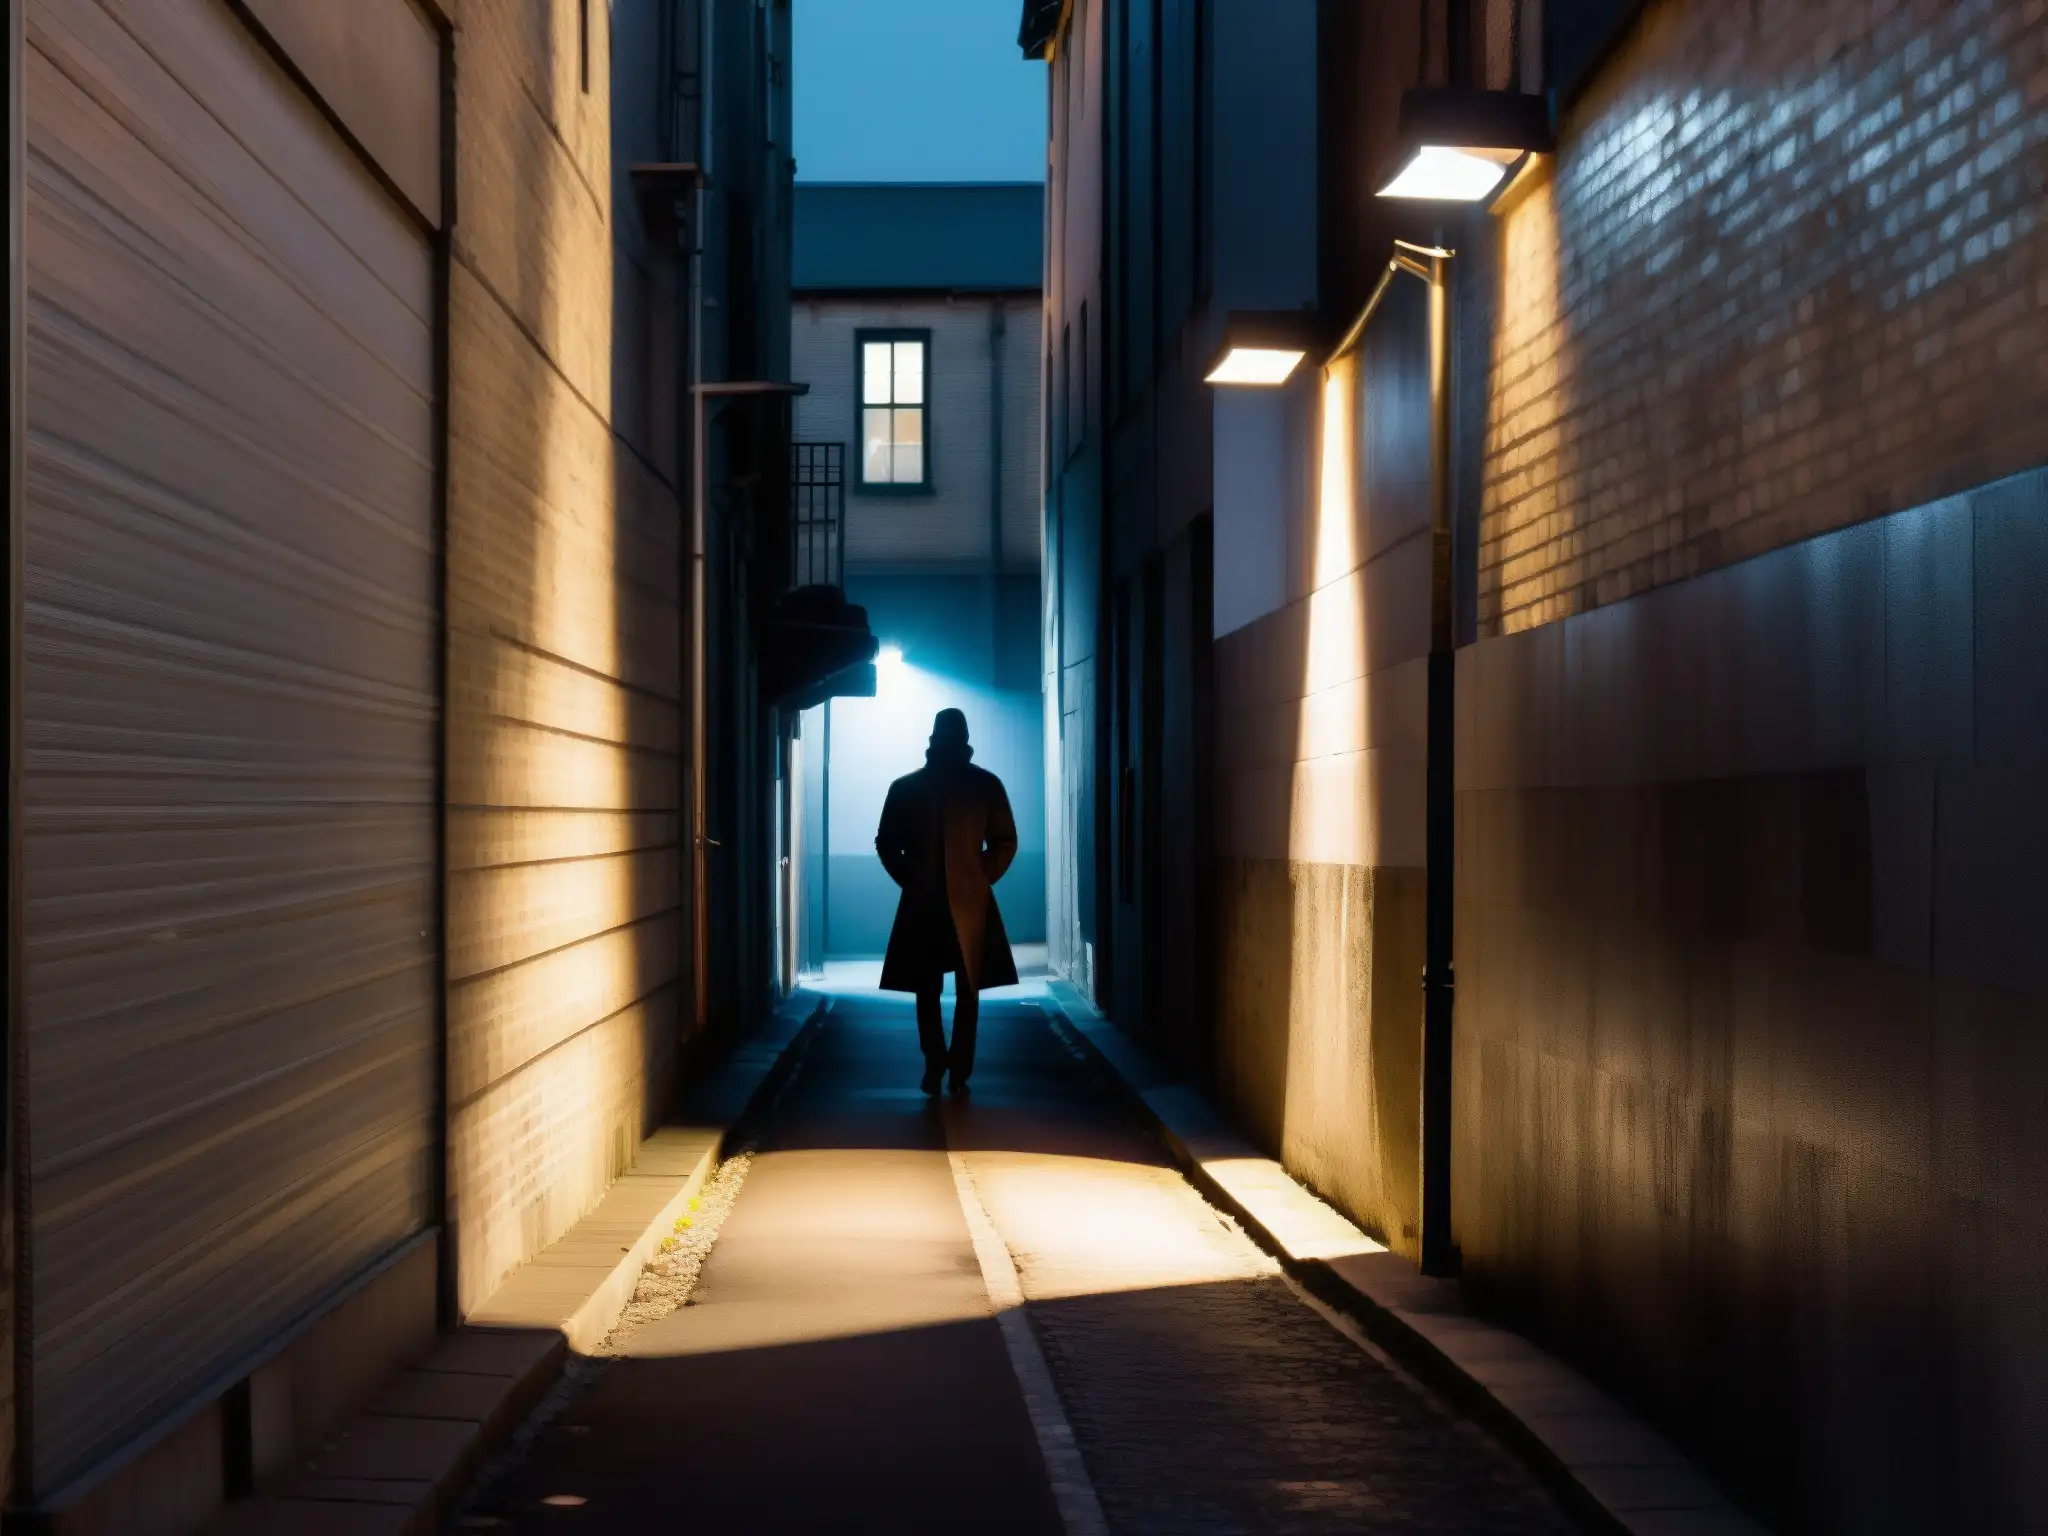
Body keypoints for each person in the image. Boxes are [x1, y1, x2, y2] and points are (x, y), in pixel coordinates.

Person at [874, 708, 1019, 1096]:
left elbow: (887, 845)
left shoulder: (907, 787)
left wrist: (913, 878)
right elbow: (1005, 843)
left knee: (932, 989)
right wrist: (978, 876)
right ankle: (954, 1069)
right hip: (966, 903)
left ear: (933, 737)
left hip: (930, 902)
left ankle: (939, 1064)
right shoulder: (985, 785)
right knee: (960, 990)